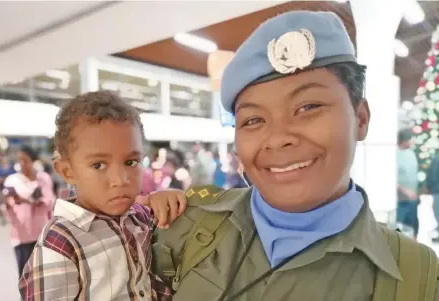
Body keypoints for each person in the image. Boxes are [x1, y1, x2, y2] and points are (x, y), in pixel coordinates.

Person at [151, 11, 439, 300]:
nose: (278, 139)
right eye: (253, 120)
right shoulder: (184, 223)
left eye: (308, 107)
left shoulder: (417, 278)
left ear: (360, 118)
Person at [19, 91, 186, 300]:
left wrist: (167, 200)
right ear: (67, 171)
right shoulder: (61, 242)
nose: (120, 179)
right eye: (98, 165)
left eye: (131, 162)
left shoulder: (139, 217)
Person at [3, 145, 55, 278]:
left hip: (41, 234)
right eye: (19, 160)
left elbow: (49, 202)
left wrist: (28, 201)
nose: (21, 163)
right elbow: (7, 207)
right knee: (24, 274)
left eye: (25, 160)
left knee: (41, 274)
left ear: (33, 161)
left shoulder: (42, 178)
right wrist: (6, 201)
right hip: (21, 234)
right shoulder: (12, 180)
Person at [396, 129, 419, 238]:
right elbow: (390, 179)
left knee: (413, 227)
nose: (413, 141)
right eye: (410, 138)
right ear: (403, 140)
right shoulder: (395, 154)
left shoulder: (411, 153)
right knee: (400, 230)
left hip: (413, 199)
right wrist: (405, 191)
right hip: (400, 200)